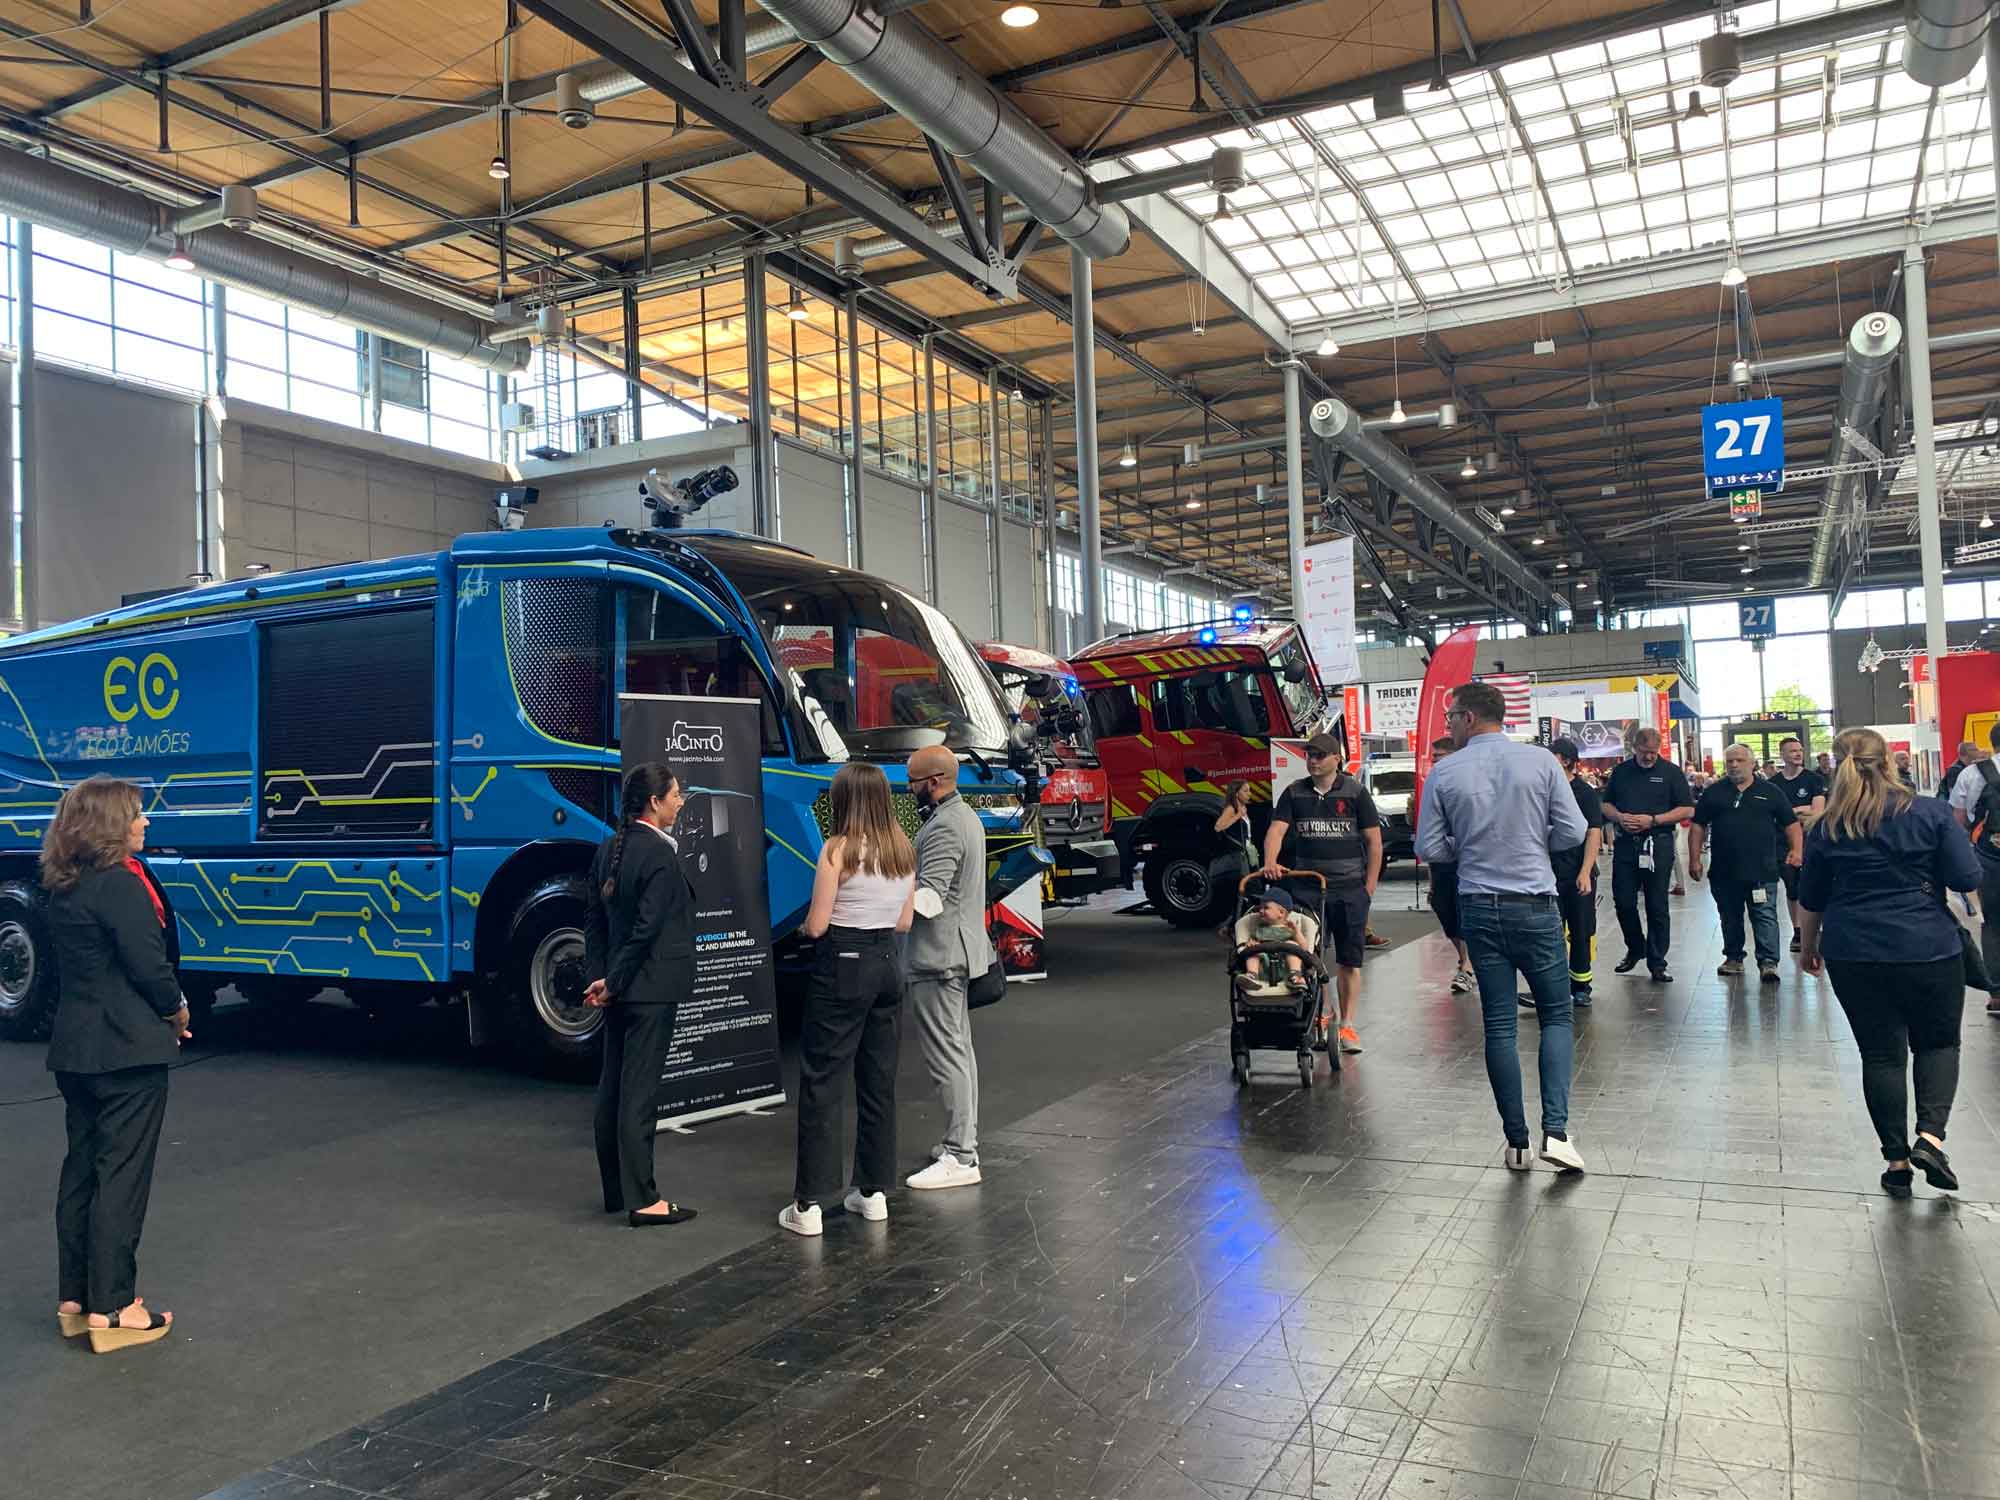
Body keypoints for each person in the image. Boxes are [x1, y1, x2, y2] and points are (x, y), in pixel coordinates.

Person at [1799, 728, 1982, 1198]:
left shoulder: (1826, 826)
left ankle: (1896, 1162)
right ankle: (1930, 1139)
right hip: (1929, 948)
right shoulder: (1929, 813)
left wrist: (1808, 945)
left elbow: (1812, 897)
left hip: (1854, 952)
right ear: (1889, 761)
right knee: (1938, 1045)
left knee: (1880, 1055)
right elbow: (1966, 876)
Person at [1416, 683, 1588, 1173]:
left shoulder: (1445, 771)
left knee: (1499, 1024)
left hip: (1478, 905)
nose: (1448, 724)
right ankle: (1556, 1132)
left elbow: (1429, 847)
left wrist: (1470, 845)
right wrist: (1532, 839)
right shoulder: (1540, 762)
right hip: (1535, 904)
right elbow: (1574, 831)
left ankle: (1516, 1143)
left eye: (1452, 716)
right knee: (1556, 1016)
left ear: (1469, 717)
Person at [44, 776, 189, 1354]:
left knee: (82, 1170)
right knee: (121, 1177)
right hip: (128, 1051)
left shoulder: (65, 885)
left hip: (76, 1051)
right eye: (136, 813)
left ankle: (76, 1300)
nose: (145, 821)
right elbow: (150, 967)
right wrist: (176, 1010)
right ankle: (116, 1307)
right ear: (110, 824)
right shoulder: (121, 886)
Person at [781, 764, 916, 1237]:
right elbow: (903, 923)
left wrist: (802, 929)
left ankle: (809, 1205)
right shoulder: (902, 850)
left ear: (844, 801)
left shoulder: (837, 849)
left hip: (842, 965)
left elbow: (818, 925)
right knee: (878, 1082)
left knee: (822, 1081)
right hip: (887, 966)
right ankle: (873, 1194)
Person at [583, 763, 698, 1228]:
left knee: (612, 1088)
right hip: (650, 988)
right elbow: (648, 930)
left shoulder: (607, 849)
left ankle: (617, 1191)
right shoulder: (659, 855)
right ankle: (644, 1199)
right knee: (639, 1095)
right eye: (675, 795)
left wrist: (602, 979)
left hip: (619, 988)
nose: (681, 801)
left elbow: (595, 922)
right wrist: (614, 982)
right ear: (654, 802)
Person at [904, 743, 994, 1190]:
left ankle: (961, 1155)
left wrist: (881, 899)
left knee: (947, 1057)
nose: (909, 789)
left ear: (935, 781)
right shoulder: (964, 818)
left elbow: (930, 898)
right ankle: (961, 1144)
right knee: (959, 1053)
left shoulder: (943, 827)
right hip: (956, 953)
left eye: (913, 782)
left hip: (938, 957)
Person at [1262, 730, 1382, 1055]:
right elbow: (1276, 830)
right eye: (1309, 755)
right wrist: (1270, 861)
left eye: (1319, 755)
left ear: (1336, 759)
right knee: (1310, 956)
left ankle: (1348, 1025)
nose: (1312, 761)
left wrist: (1369, 888)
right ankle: (1323, 1015)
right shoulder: (1294, 792)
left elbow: (1374, 842)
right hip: (1307, 890)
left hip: (1350, 890)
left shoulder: (1356, 793)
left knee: (1349, 960)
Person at [1689, 744, 1801, 983]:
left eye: (1739, 760)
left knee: (1764, 915)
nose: (1734, 765)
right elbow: (1698, 825)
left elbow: (1791, 823)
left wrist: (1796, 850)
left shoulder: (1770, 791)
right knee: (1730, 916)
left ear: (1752, 763)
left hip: (1762, 870)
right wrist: (1694, 858)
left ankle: (1768, 962)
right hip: (1724, 870)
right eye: (1730, 761)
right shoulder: (1714, 792)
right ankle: (1733, 958)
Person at [1602, 727, 1694, 982]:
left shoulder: (1671, 772)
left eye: (1654, 752)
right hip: (1626, 845)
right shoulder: (1621, 772)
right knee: (1623, 901)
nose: (1649, 757)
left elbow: (1687, 809)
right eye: (1644, 752)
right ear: (1634, 748)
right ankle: (1635, 947)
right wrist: (1619, 817)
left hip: (1658, 843)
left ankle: (1657, 961)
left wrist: (1653, 820)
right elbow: (1606, 804)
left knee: (1657, 905)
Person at [1549, 739, 1603, 1008]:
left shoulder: (1584, 793)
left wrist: (1585, 872)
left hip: (1578, 872)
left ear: (1567, 761)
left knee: (1581, 930)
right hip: (1548, 874)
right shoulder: (1544, 790)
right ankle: (1553, 986)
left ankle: (1581, 986)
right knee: (1550, 932)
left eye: (1553, 758)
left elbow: (1594, 832)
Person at [1949, 727, 2000, 1014]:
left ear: (1992, 743)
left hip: (1991, 856)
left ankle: (1998, 993)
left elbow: (1958, 820)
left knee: (1993, 924)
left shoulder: (1972, 773)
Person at [1422, 736, 1475, 995]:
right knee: (1446, 913)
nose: (1434, 762)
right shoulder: (1434, 786)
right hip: (1441, 863)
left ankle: (1468, 967)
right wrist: (1431, 881)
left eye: (1439, 757)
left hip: (1467, 863)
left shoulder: (1468, 786)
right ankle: (1464, 959)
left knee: (1464, 915)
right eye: (1433, 757)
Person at [1769, 736, 1827, 952]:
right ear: (1782, 755)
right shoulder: (1774, 784)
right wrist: (1801, 809)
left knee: (1813, 884)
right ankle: (1798, 930)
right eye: (1792, 751)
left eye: (1800, 750)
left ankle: (1816, 929)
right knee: (1792, 887)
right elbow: (1772, 815)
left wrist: (1789, 812)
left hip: (1811, 840)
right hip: (1783, 843)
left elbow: (1818, 812)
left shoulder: (1813, 779)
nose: (1798, 754)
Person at [1241, 887, 1309, 992]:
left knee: (1293, 946)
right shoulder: (1259, 929)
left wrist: (1297, 933)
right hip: (1263, 965)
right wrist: (1251, 944)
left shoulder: (1290, 929)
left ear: (1281, 912)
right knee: (1253, 953)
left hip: (1285, 965)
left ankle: (1295, 975)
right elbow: (1251, 941)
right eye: (1260, 907)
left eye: (1266, 908)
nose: (1260, 911)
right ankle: (1252, 975)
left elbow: (1304, 948)